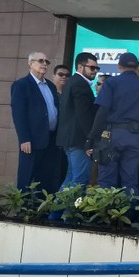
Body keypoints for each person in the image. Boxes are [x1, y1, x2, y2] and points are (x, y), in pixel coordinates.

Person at [86, 53, 139, 196]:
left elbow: (102, 112)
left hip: (112, 136)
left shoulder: (111, 83)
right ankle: (129, 208)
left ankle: (107, 209)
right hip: (136, 137)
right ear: (137, 67)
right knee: (130, 180)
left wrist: (91, 137)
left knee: (106, 180)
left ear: (119, 66)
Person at [11, 51, 61, 193]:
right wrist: (24, 139)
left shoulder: (51, 86)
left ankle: (40, 206)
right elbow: (18, 114)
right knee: (26, 178)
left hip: (51, 139)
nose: (44, 64)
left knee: (45, 179)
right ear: (30, 64)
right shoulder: (21, 85)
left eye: (46, 62)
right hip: (32, 141)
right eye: (40, 61)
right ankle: (22, 206)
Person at [56, 52, 98, 189]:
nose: (95, 71)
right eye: (92, 67)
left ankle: (59, 204)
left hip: (71, 139)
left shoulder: (73, 82)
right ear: (80, 67)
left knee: (71, 178)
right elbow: (84, 115)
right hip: (78, 140)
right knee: (80, 179)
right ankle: (67, 205)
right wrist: (90, 139)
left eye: (97, 68)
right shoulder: (80, 84)